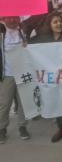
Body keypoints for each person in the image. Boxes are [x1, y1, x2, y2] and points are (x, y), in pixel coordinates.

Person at [30, 12, 62, 145]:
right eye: (55, 22)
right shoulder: (43, 39)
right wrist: (25, 45)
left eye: (60, 21)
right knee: (56, 101)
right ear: (50, 25)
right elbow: (31, 47)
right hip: (52, 78)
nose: (59, 24)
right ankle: (61, 129)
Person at [0, 16, 30, 144]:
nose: (12, 21)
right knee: (4, 103)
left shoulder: (23, 30)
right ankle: (1, 128)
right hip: (7, 74)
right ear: (3, 18)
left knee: (23, 102)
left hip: (22, 72)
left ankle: (22, 126)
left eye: (15, 18)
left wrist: (27, 45)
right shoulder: (2, 32)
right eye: (9, 18)